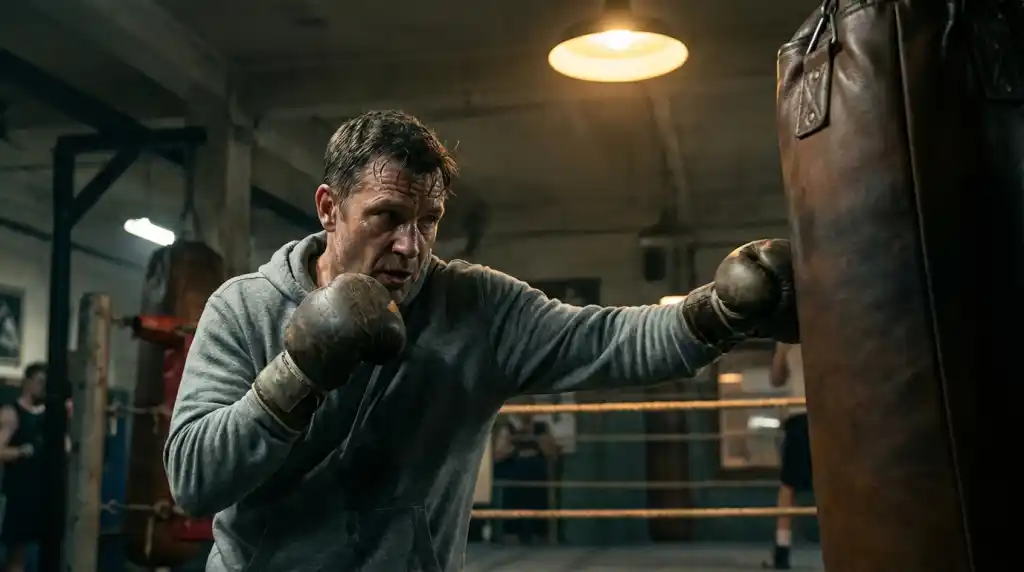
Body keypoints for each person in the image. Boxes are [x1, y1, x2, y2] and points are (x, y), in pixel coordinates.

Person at [163, 109, 800, 571]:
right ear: (330, 209)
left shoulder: (476, 306)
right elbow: (193, 480)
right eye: (387, 217)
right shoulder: (243, 307)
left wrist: (717, 313)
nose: (410, 246)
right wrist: (297, 373)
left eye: (428, 222)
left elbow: (606, 337)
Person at [766, 342, 812, 570]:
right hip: (812, 411)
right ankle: (782, 550)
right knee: (789, 484)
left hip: (804, 412)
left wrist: (781, 350)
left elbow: (776, 379)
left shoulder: (788, 336)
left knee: (788, 485)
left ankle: (782, 549)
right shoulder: (789, 337)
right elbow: (776, 378)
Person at [492, 398, 559, 545]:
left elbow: (552, 453)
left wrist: (537, 439)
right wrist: (513, 442)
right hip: (516, 476)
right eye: (522, 405)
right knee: (514, 518)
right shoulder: (508, 428)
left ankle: (539, 539)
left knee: (538, 516)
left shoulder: (542, 427)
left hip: (537, 477)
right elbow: (497, 456)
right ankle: (513, 538)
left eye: (529, 406)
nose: (525, 409)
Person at [0, 363, 46, 572]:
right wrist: (20, 452)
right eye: (39, 382)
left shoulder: (50, 414)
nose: (43, 387)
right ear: (27, 383)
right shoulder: (11, 413)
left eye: (46, 383)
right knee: (16, 557)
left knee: (48, 552)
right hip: (19, 496)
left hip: (45, 495)